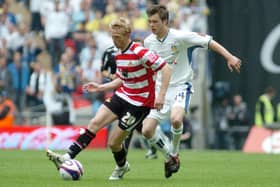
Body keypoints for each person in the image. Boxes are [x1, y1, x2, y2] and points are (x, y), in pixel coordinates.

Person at [46, 17, 172, 180]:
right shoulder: (118, 53)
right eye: (112, 37)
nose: (114, 41)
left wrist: (160, 95)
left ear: (128, 34)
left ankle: (122, 167)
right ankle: (68, 157)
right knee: (94, 123)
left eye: (117, 37)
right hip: (122, 95)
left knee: (113, 143)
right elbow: (122, 79)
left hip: (139, 104)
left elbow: (166, 68)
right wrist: (100, 87)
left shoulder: (140, 51)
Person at [141, 4, 242, 178]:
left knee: (176, 119)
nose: (152, 25)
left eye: (155, 21)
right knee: (147, 131)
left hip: (181, 86)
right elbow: (148, 68)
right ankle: (169, 157)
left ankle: (175, 151)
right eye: (149, 21)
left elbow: (209, 42)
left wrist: (229, 56)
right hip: (160, 89)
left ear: (165, 21)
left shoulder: (181, 37)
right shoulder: (148, 42)